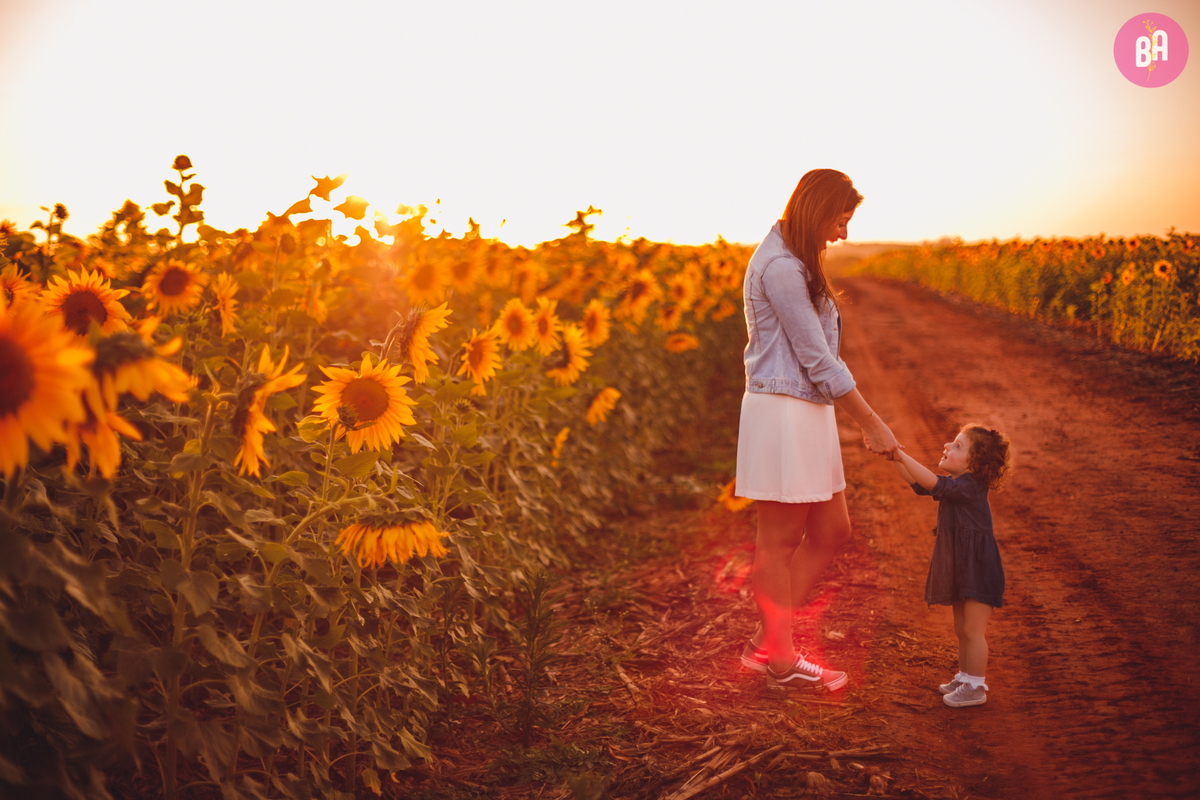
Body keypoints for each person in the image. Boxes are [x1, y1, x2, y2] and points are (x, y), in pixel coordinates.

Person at [735, 169, 901, 691]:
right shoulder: (781, 268)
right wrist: (872, 423)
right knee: (779, 541)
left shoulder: (796, 259)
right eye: (840, 220)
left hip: (805, 409)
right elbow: (817, 359)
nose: (843, 234)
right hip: (784, 410)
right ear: (817, 210)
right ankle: (781, 659)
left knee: (832, 531)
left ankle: (770, 642)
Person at [892, 424, 1013, 708]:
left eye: (958, 446)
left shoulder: (970, 487)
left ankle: (976, 685)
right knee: (962, 629)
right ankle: (964, 676)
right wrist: (894, 458)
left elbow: (935, 484)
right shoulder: (958, 486)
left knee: (973, 631)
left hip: (979, 567)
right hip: (962, 564)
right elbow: (920, 485)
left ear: (976, 464)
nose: (947, 445)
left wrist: (900, 454)